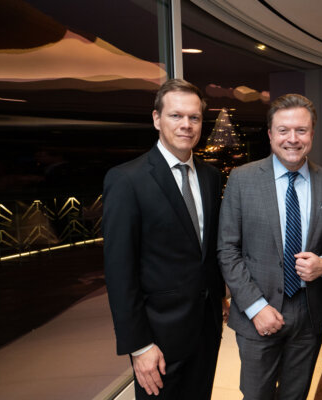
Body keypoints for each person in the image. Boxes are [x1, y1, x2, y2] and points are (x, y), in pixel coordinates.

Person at [103, 79, 226, 399]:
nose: (186, 124)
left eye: (194, 117)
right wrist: (139, 345)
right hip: (157, 340)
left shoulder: (211, 176)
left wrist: (220, 297)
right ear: (157, 119)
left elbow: (205, 252)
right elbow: (119, 272)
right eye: (176, 115)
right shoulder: (127, 180)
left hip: (206, 330)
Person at [218, 93, 322, 400]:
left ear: (312, 134)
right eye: (283, 130)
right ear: (270, 134)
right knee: (256, 395)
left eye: (301, 130)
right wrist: (256, 308)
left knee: (296, 395)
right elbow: (227, 249)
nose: (293, 139)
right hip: (257, 313)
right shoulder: (242, 179)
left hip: (309, 313)